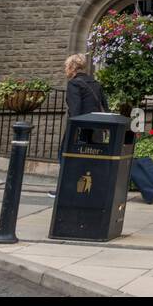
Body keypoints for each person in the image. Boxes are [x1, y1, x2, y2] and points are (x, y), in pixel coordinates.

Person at [50, 53, 108, 198]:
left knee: (64, 155)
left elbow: (75, 111)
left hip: (80, 130)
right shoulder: (95, 83)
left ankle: (65, 189)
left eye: (66, 66)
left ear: (72, 67)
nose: (65, 69)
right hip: (96, 130)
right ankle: (88, 190)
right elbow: (105, 108)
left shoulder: (74, 84)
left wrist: (72, 133)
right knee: (90, 159)